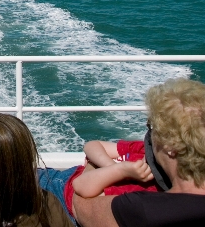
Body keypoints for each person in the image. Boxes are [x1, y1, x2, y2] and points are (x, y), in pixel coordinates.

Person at [73, 78, 205, 227]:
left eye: (152, 128)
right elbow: (93, 146)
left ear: (171, 146)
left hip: (69, 193)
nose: (150, 138)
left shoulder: (145, 208)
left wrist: (100, 166)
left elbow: (80, 203)